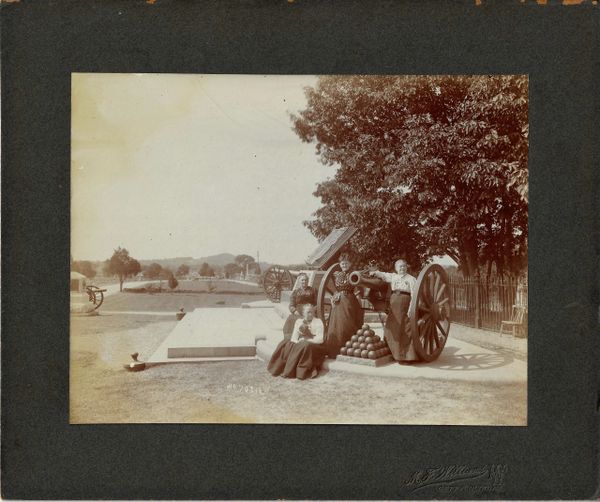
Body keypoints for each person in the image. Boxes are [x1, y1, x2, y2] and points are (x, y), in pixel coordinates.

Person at [372, 259, 417, 361]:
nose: (402, 268)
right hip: (394, 303)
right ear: (396, 269)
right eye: (400, 267)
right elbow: (384, 275)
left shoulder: (411, 279)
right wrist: (375, 272)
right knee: (391, 327)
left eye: (404, 266)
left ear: (407, 267)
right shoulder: (393, 277)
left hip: (404, 303)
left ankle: (406, 356)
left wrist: (411, 309)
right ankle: (392, 353)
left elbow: (414, 295)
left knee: (404, 328)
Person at [267, 304, 326, 380]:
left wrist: (307, 340)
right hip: (302, 343)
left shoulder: (318, 322)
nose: (311, 314)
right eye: (308, 312)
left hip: (315, 345)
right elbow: (294, 337)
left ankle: (299, 372)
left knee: (305, 345)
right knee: (287, 343)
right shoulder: (299, 322)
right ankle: (280, 367)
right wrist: (297, 342)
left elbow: (320, 339)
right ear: (303, 313)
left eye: (312, 312)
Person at [323, 253, 364, 358]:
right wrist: (334, 298)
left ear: (350, 264)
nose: (344, 265)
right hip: (338, 301)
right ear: (340, 264)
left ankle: (350, 348)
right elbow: (335, 289)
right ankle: (335, 349)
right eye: (342, 263)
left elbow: (358, 290)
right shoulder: (337, 274)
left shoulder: (353, 274)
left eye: (346, 263)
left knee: (348, 322)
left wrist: (359, 305)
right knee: (336, 324)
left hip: (350, 301)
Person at [282, 273, 317, 340]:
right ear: (299, 281)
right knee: (291, 320)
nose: (304, 282)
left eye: (306, 280)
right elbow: (291, 305)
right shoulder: (295, 292)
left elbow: (317, 303)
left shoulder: (313, 291)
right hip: (298, 312)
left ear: (308, 281)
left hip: (309, 312)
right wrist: (295, 311)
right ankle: (292, 339)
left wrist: (312, 311)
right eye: (302, 280)